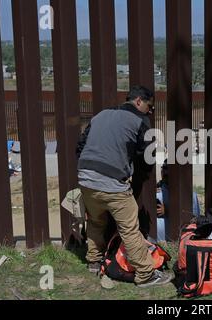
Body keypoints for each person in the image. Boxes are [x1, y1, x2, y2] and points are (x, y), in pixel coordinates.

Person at [76, 85, 173, 288]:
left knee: (95, 220)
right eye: (150, 107)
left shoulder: (100, 116)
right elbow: (147, 156)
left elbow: (80, 146)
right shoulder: (139, 121)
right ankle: (146, 275)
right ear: (139, 102)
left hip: (85, 177)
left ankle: (94, 261)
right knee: (130, 228)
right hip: (112, 182)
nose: (150, 111)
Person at [156, 161, 200, 242]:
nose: (166, 172)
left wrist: (168, 211)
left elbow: (194, 217)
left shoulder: (189, 195)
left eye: (169, 168)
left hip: (181, 241)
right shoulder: (156, 192)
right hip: (159, 243)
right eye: (164, 168)